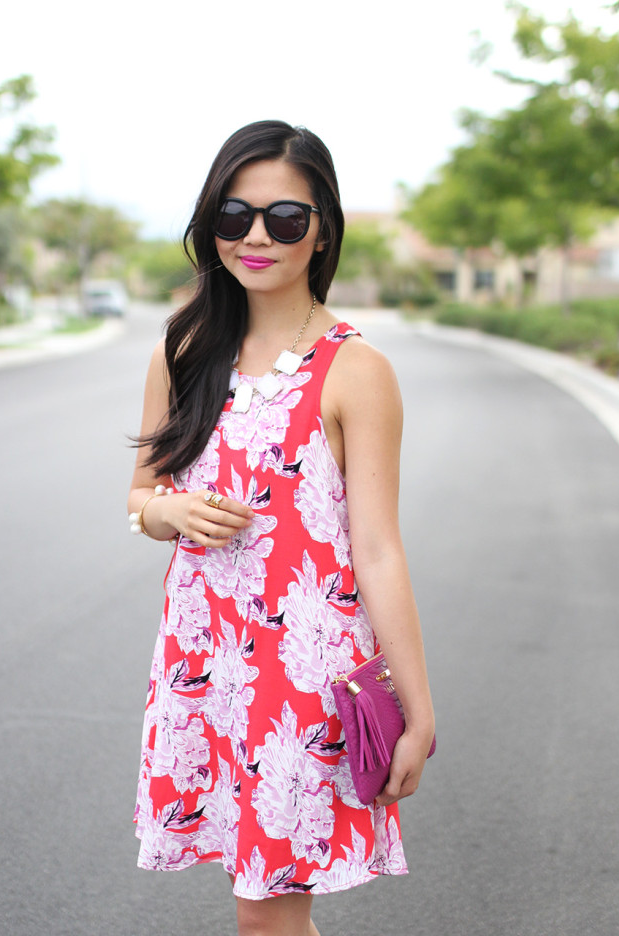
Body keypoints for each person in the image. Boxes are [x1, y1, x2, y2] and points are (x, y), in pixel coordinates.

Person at [128, 120, 435, 936]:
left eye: (284, 218)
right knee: (265, 908)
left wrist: (416, 707)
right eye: (234, 216)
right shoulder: (184, 348)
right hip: (203, 665)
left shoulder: (355, 369)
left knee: (264, 911)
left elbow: (375, 547)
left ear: (322, 228)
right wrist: (169, 510)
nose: (256, 237)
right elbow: (139, 495)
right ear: (210, 225)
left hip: (302, 679)